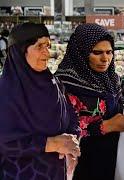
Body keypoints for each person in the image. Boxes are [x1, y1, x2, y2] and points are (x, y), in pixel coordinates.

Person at [55, 23, 124, 180]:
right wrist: (107, 126)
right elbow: (60, 128)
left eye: (109, 52)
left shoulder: (111, 78)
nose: (105, 59)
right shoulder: (64, 84)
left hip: (111, 158)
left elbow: (118, 108)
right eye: (97, 52)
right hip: (79, 163)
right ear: (81, 52)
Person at [0, 22, 80, 180]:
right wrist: (50, 143)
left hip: (54, 173)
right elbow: (5, 141)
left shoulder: (54, 83)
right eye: (39, 46)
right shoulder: (5, 90)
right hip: (18, 173)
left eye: (48, 46)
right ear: (20, 51)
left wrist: (72, 144)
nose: (47, 53)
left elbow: (71, 117)